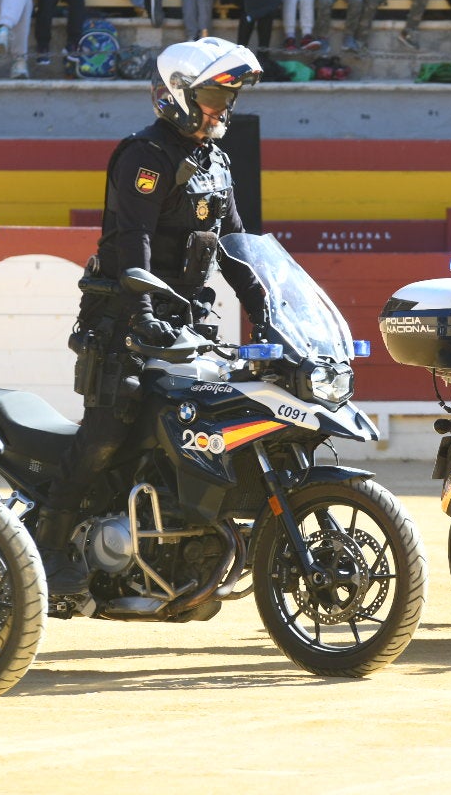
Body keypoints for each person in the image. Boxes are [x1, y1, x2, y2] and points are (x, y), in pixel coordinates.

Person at [38, 36, 263, 593]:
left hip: (187, 319)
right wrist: (140, 312)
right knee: (108, 431)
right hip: (124, 315)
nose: (224, 106)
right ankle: (49, 538)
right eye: (214, 92)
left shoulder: (217, 158)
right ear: (178, 93)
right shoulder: (145, 155)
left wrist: (268, 304)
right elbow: (132, 240)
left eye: (230, 94)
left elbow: (235, 242)